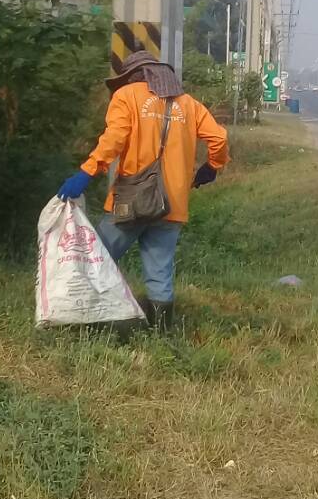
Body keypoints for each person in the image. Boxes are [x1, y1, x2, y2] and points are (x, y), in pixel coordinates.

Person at [56, 51, 230, 329]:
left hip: (131, 202)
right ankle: (160, 334)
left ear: (133, 76)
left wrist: (87, 171)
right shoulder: (189, 104)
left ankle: (90, 324)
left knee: (98, 258)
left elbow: (114, 139)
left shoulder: (126, 96)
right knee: (160, 272)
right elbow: (219, 138)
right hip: (172, 205)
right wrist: (213, 165)